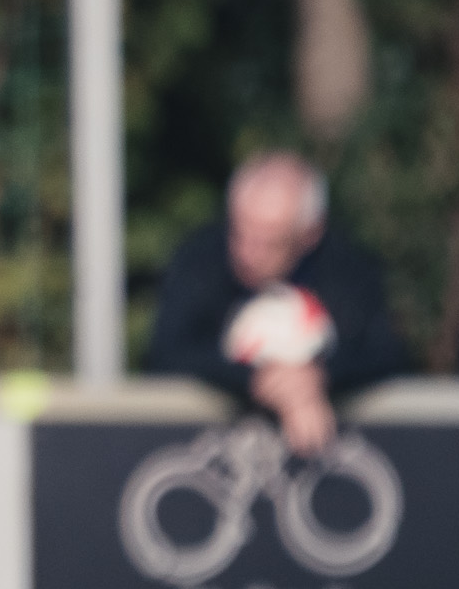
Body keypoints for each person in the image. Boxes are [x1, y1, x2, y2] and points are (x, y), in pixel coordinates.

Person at [146, 150, 411, 455]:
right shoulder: (199, 258)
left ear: (310, 234)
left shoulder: (348, 267)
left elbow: (387, 355)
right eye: (240, 232)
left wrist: (315, 378)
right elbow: (167, 352)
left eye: (269, 242)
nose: (247, 253)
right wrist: (263, 381)